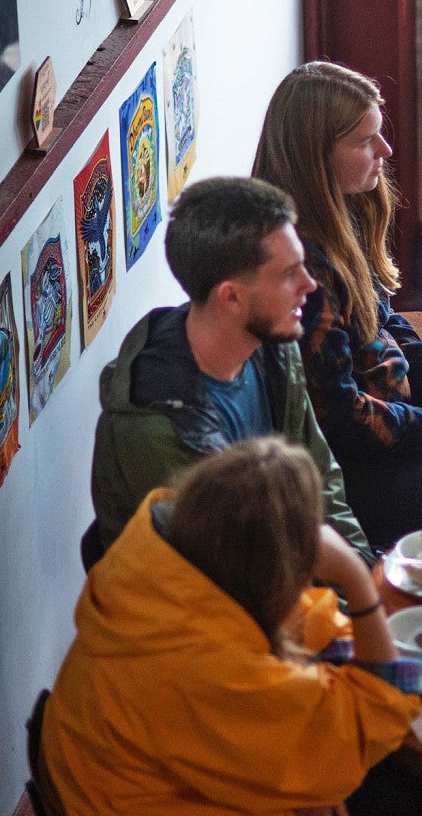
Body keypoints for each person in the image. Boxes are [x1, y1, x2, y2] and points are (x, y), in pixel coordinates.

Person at [43, 437, 422, 816]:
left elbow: (307, 618)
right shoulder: (206, 670)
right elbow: (386, 705)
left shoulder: (161, 563)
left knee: (408, 802)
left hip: (159, 810)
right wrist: (355, 578)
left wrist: (312, 774)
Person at [252, 62, 422, 546]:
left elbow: (384, 320)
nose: (386, 151)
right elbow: (344, 424)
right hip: (359, 470)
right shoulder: (303, 271)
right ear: (317, 157)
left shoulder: (345, 211)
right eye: (365, 143)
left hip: (399, 411)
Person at [90, 176, 369, 557]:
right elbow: (234, 573)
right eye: (289, 274)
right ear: (232, 298)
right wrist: (353, 597)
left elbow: (320, 475)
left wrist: (363, 569)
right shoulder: (156, 427)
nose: (310, 285)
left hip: (285, 569)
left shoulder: (271, 344)